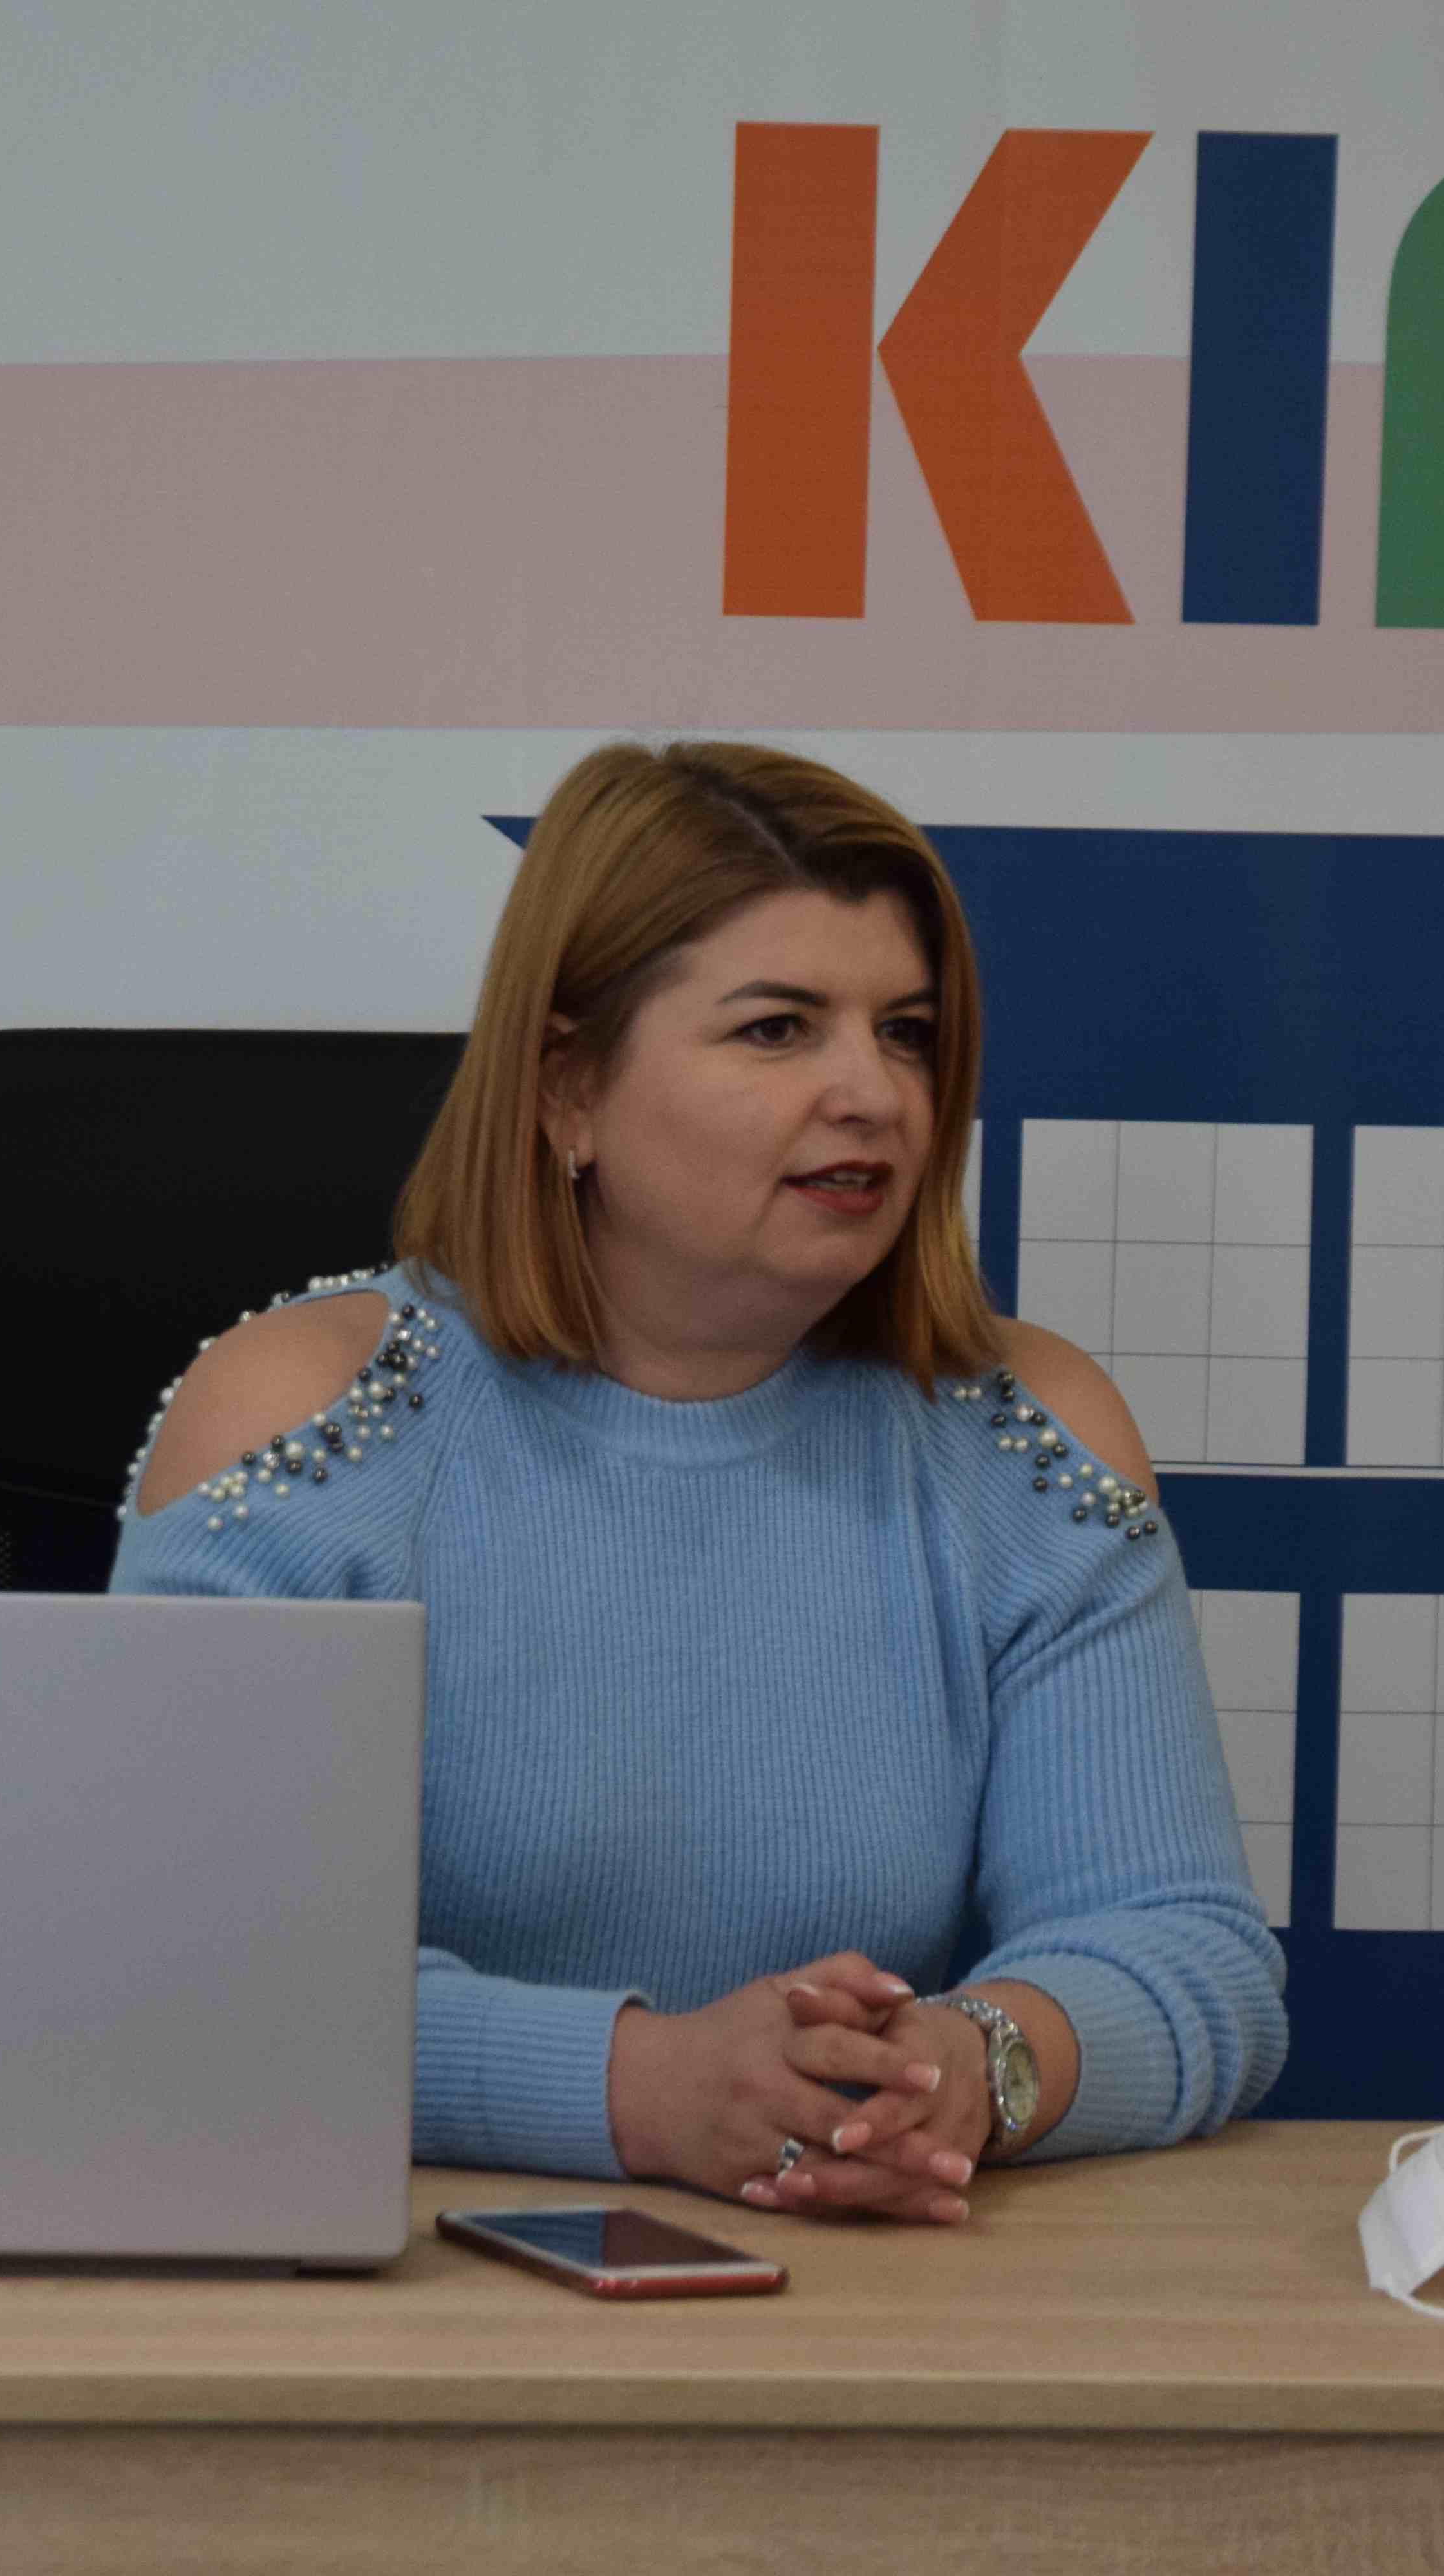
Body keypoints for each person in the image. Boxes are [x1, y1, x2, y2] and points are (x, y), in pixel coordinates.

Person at [113, 741, 1284, 2224]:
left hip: (866, 2294)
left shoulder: (1027, 1436)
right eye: (779, 1028)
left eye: (908, 1033)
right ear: (568, 1088)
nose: (874, 1093)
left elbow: (1187, 1951)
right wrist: (636, 2088)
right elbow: (189, 1966)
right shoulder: (303, 1422)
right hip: (388, 2295)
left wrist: (964, 2067)